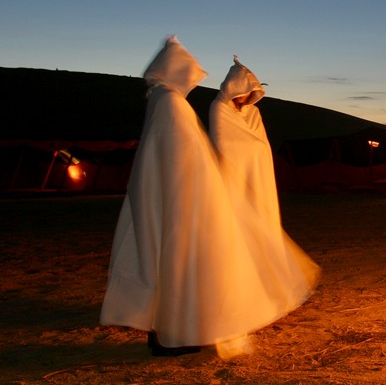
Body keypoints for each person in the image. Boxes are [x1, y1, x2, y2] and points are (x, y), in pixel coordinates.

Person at [100, 37, 291, 357]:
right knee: (177, 264)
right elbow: (189, 155)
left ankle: (168, 332)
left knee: (166, 263)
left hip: (170, 199)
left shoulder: (162, 99)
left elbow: (187, 154)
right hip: (179, 202)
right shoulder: (170, 104)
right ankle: (172, 335)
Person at [209, 56, 319, 322]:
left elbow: (260, 145)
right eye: (243, 91)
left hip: (254, 173)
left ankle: (270, 287)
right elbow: (226, 143)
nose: (246, 98)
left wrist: (254, 151)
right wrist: (252, 150)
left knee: (261, 225)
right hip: (229, 177)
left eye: (250, 93)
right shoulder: (219, 108)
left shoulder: (253, 112)